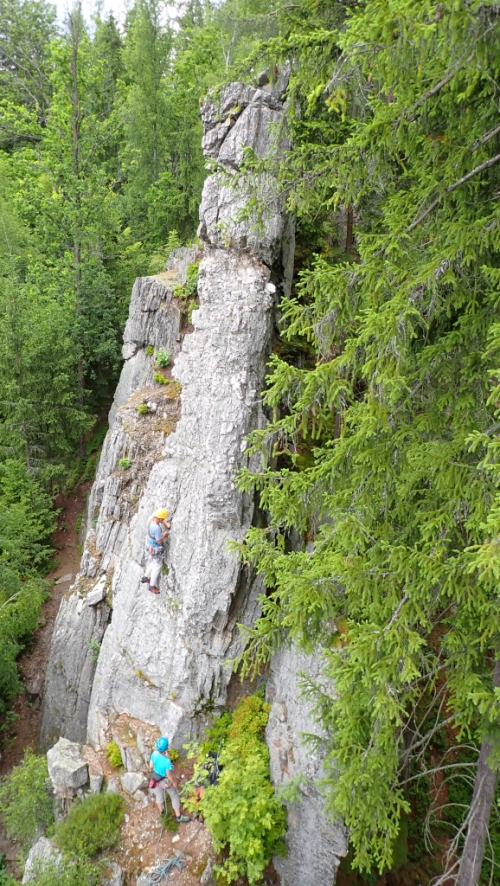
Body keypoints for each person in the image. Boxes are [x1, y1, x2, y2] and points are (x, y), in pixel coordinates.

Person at [150, 736, 190, 823]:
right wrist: (174, 783)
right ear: (166, 748)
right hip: (165, 781)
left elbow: (151, 766)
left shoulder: (154, 754)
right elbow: (169, 775)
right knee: (174, 795)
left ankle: (162, 811)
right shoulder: (166, 761)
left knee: (158, 795)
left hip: (156, 779)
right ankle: (178, 817)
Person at [141, 509, 171, 595]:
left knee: (153, 562)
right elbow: (159, 541)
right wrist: (164, 535)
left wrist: (166, 524)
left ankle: (145, 577)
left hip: (149, 544)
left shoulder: (151, 519)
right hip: (155, 548)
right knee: (157, 566)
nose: (163, 521)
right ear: (160, 519)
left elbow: (161, 519)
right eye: (162, 520)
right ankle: (152, 586)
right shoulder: (156, 528)